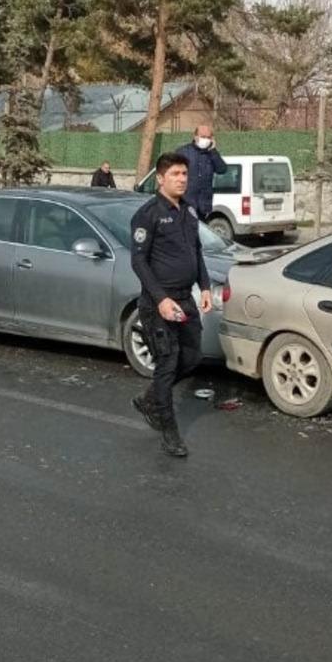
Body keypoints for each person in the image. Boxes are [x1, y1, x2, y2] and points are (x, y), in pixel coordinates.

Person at [129, 153, 215, 458]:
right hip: (158, 303)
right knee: (167, 364)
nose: (182, 179)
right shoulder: (148, 214)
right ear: (161, 178)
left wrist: (204, 286)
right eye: (176, 174)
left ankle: (150, 398)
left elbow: (197, 251)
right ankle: (169, 432)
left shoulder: (189, 212)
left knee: (191, 359)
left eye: (185, 174)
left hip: (185, 298)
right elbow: (138, 261)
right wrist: (161, 299)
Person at [177, 123, 227, 223]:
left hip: (203, 207)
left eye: (208, 137)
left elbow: (222, 169)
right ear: (195, 137)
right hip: (186, 205)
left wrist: (213, 151)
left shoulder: (212, 154)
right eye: (203, 136)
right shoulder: (183, 152)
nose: (205, 139)